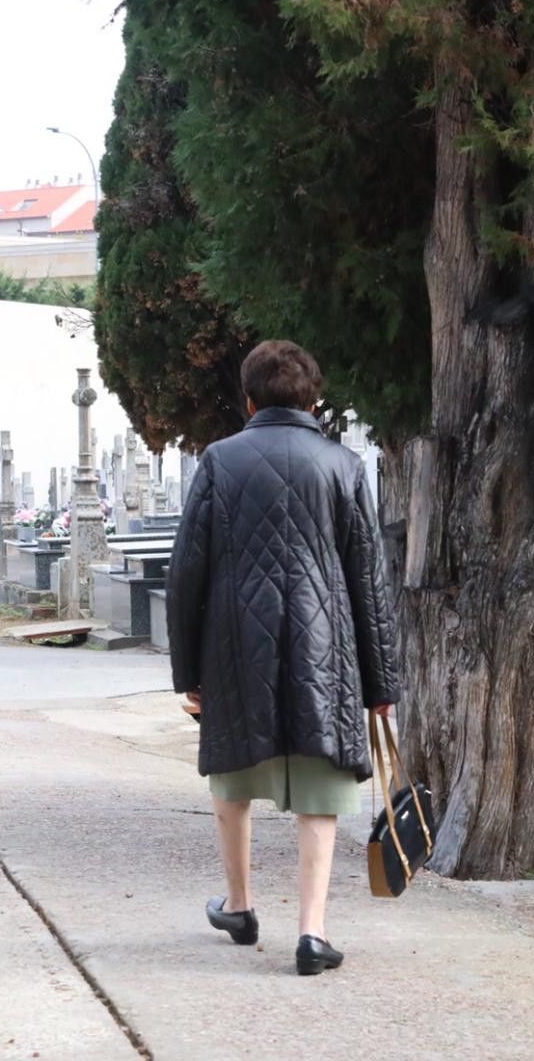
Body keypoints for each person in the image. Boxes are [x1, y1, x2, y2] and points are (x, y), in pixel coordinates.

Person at [166, 339, 400, 976]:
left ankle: (239, 905)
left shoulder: (218, 461)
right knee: (319, 784)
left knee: (234, 774)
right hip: (327, 644)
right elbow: (368, 581)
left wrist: (187, 672)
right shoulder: (344, 466)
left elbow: (187, 572)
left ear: (248, 399)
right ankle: (312, 932)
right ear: (315, 400)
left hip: (234, 642)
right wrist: (381, 682)